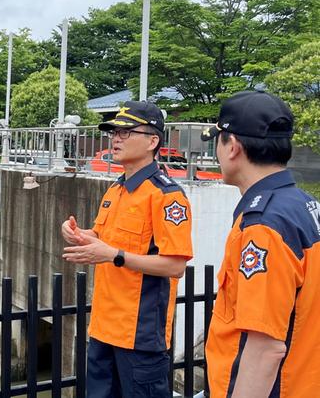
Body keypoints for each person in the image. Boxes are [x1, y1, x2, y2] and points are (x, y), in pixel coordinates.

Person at [62, 101, 193, 397]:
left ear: (152, 141)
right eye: (113, 132)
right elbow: (101, 236)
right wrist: (80, 235)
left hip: (140, 335)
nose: (116, 138)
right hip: (103, 327)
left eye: (126, 132)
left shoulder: (167, 196)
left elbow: (175, 266)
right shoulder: (116, 189)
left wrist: (113, 255)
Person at [202, 91, 320, 397]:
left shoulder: (264, 224)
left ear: (233, 148)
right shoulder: (305, 206)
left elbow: (265, 346)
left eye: (218, 140)